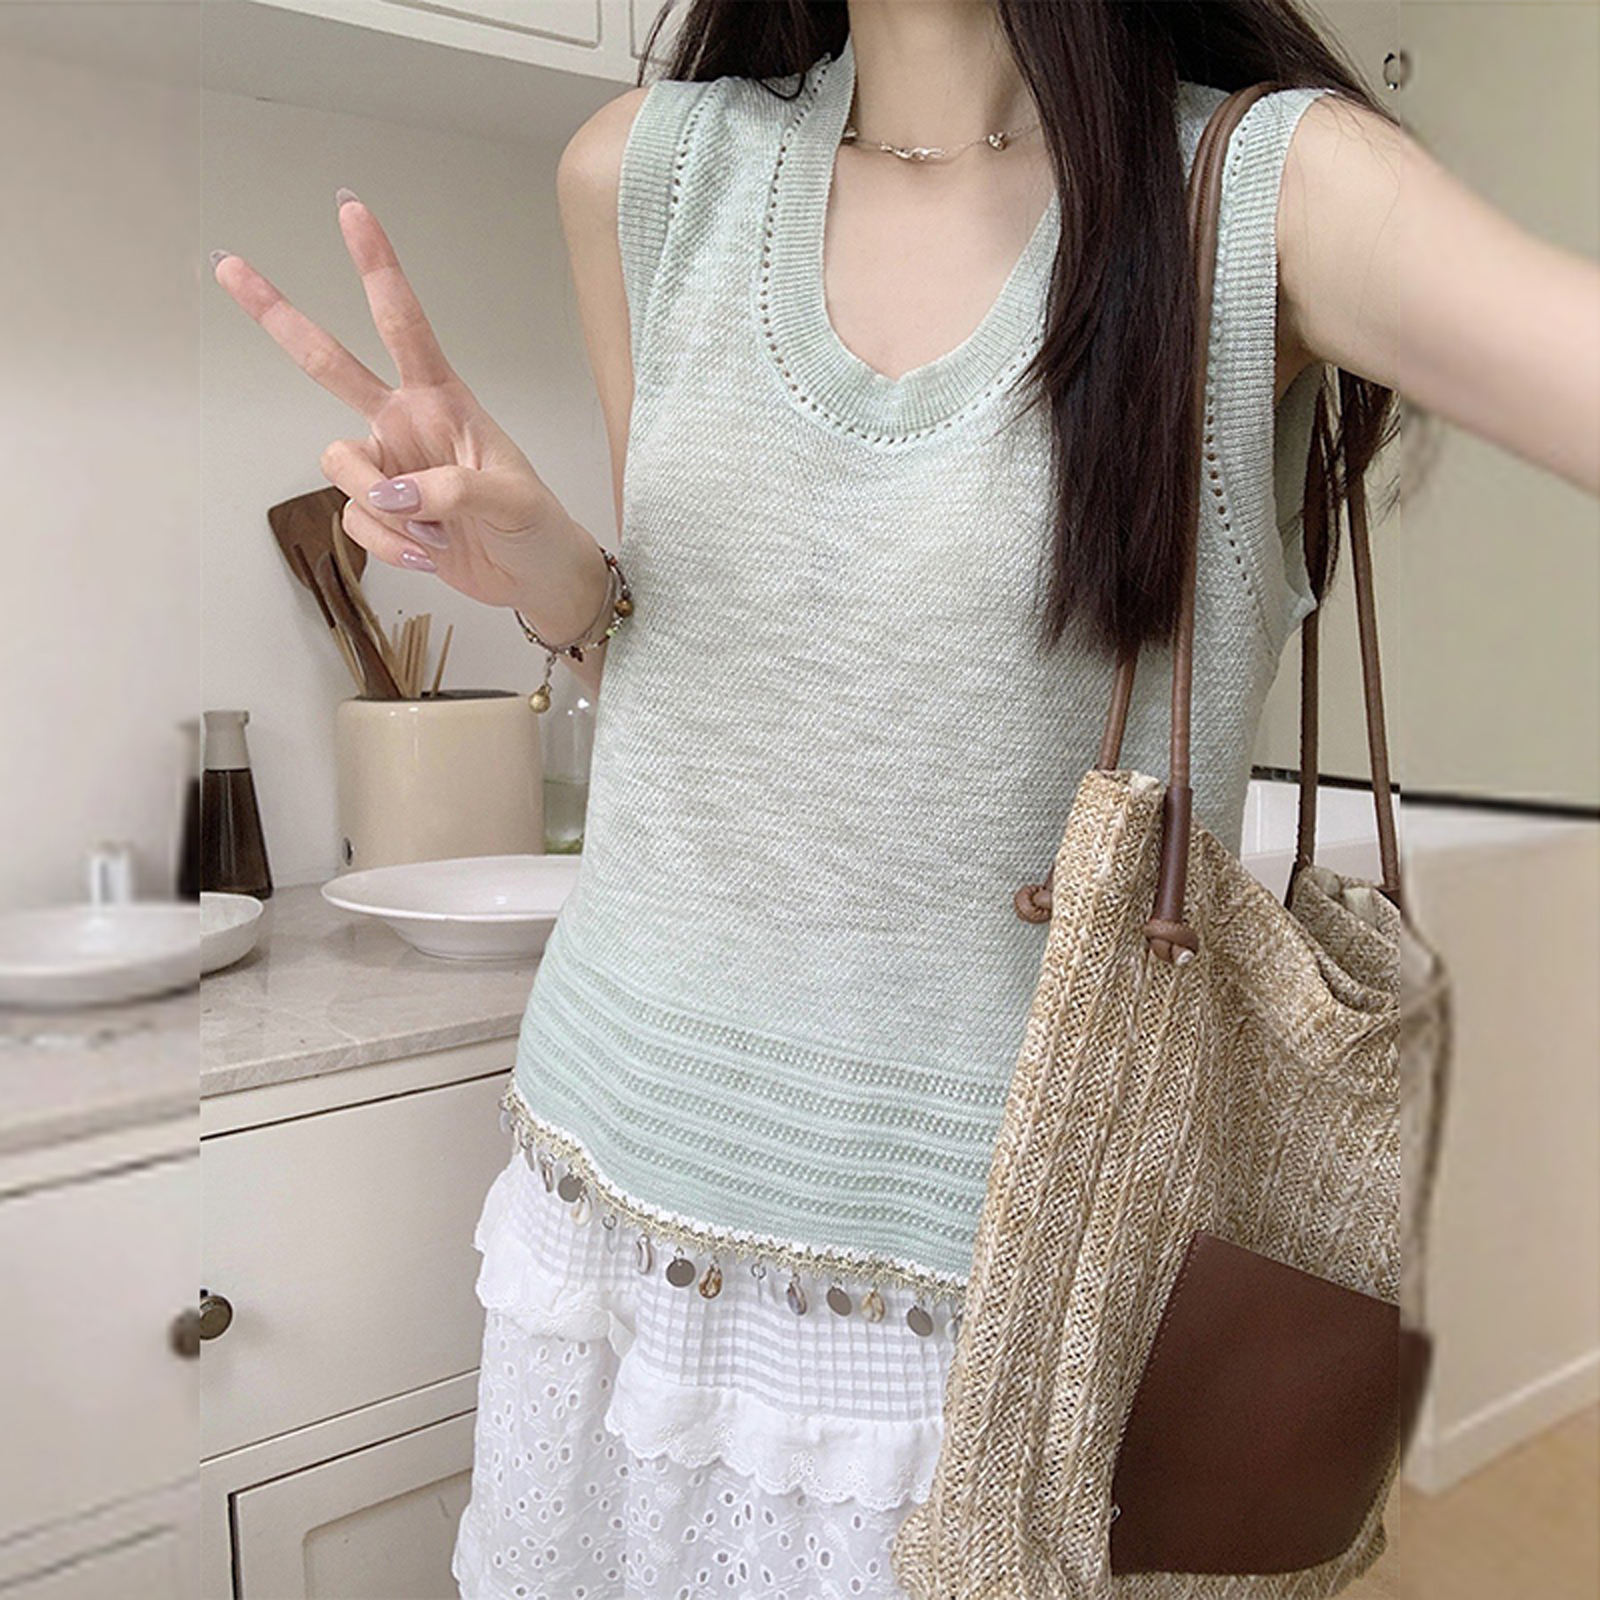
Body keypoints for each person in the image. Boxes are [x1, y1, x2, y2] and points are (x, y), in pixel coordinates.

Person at [211, 1, 1600, 1594]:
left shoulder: (1266, 192)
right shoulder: (645, 174)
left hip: (994, 1313)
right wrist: (556, 579)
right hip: (609, 1202)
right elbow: (700, 662)